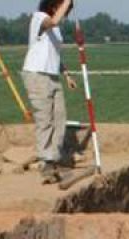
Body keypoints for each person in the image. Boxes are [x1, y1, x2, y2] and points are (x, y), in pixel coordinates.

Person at [23, 0, 78, 184]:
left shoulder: (56, 30)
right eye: (64, 9)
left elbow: (54, 54)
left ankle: (54, 158)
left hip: (52, 76)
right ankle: (46, 163)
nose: (67, 14)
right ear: (54, 5)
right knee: (45, 119)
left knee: (59, 117)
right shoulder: (40, 18)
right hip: (36, 74)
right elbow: (53, 22)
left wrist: (67, 74)